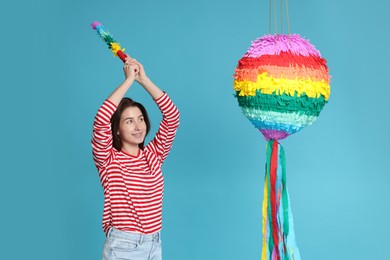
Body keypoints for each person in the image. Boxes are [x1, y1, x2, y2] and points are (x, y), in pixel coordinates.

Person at [92, 55, 180, 260]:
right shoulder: (108, 159)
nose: (138, 126)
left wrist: (143, 80)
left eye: (140, 119)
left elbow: (172, 117)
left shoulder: (153, 155)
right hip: (123, 246)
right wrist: (128, 81)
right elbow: (101, 119)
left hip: (154, 244)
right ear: (117, 130)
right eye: (129, 121)